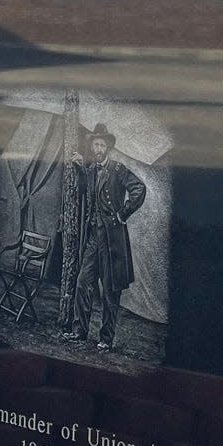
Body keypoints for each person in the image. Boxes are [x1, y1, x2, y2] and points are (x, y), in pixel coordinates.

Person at [70, 124, 147, 352]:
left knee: (110, 292)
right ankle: (79, 331)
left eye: (102, 145)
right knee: (83, 282)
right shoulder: (92, 169)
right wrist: (79, 168)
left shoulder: (118, 169)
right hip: (93, 238)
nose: (99, 148)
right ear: (92, 146)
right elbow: (84, 190)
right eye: (96, 144)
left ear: (108, 147)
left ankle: (106, 338)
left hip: (112, 240)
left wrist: (122, 214)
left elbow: (139, 189)